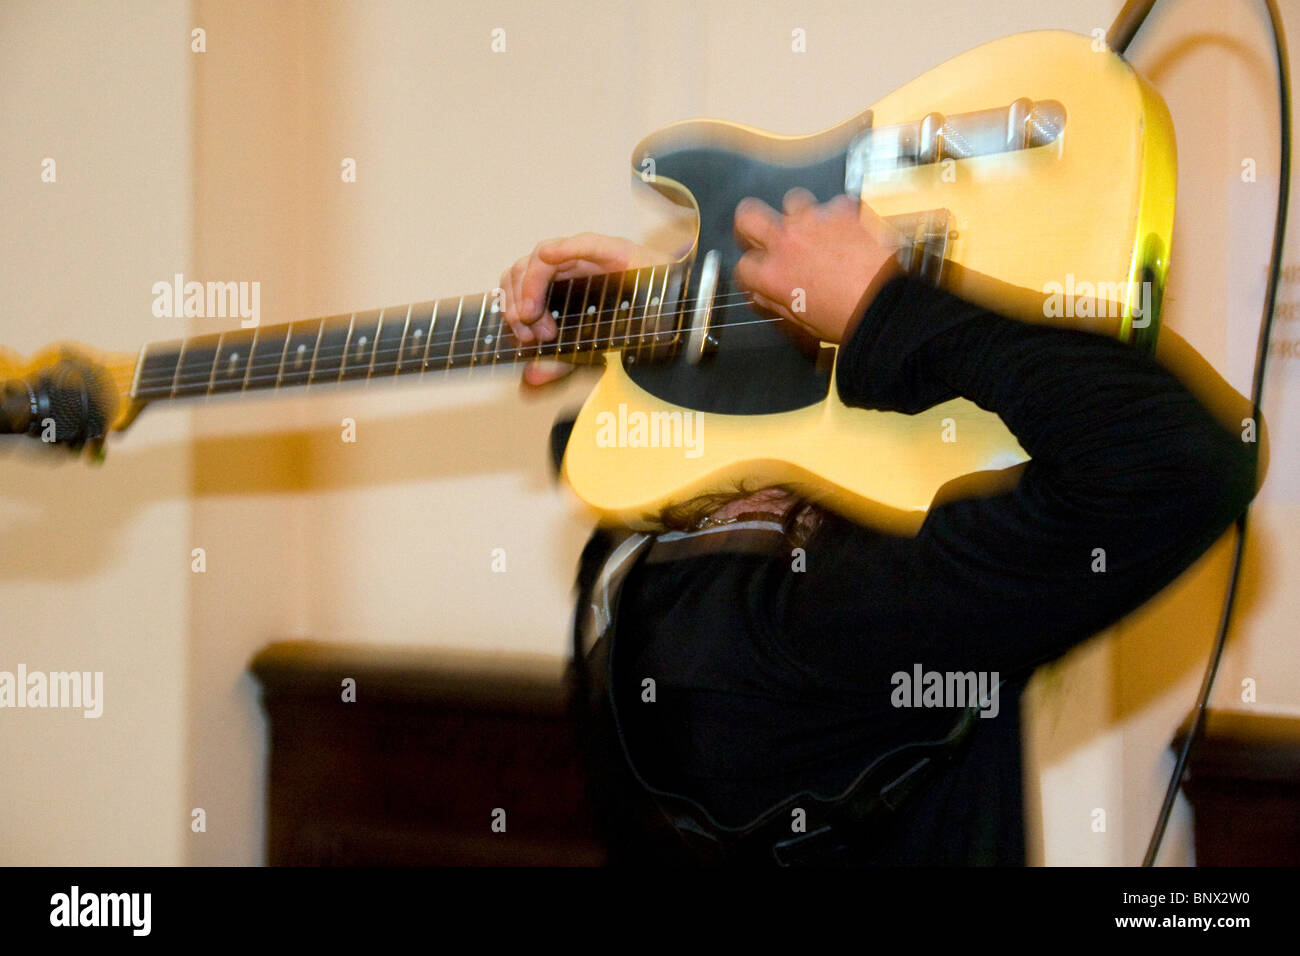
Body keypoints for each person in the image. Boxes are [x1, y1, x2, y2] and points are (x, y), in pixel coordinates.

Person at [498, 189, 1259, 865]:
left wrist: (668, 311)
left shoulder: (636, 552)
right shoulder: (808, 615)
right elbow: (1180, 460)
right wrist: (884, 305)